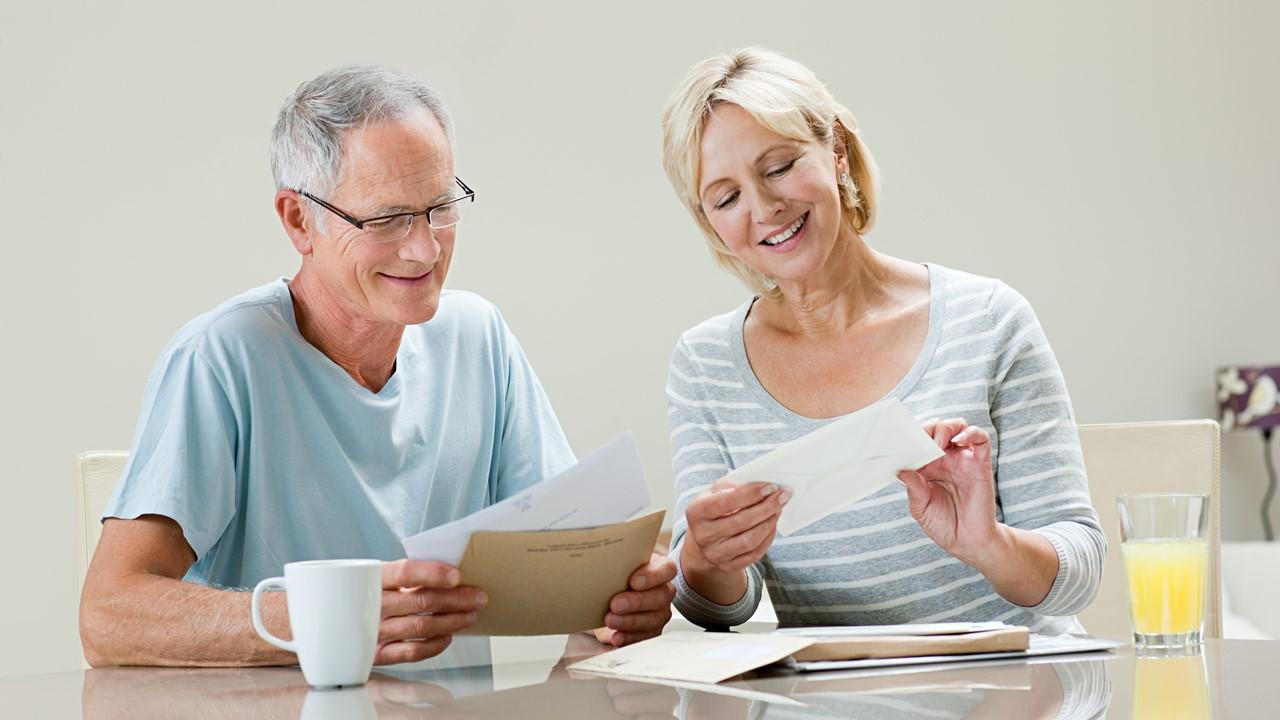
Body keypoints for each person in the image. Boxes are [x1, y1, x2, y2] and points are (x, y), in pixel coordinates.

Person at [79, 65, 675, 667]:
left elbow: (573, 559)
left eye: (439, 207)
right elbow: (109, 617)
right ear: (298, 220)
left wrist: (619, 595)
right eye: (386, 219)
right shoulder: (222, 357)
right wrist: (332, 618)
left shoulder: (477, 338)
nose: (425, 248)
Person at [659, 48, 1104, 633]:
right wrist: (704, 558)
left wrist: (987, 544)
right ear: (711, 223)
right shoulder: (705, 364)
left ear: (836, 150)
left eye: (778, 167)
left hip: (1019, 691)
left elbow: (1081, 570)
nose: (764, 208)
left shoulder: (988, 318)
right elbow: (720, 606)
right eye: (726, 197)